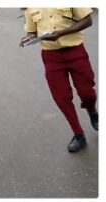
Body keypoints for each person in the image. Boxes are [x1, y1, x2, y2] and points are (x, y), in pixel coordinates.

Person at [20, 8, 98, 153]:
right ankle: (78, 134)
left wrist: (62, 33)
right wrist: (29, 37)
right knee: (61, 97)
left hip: (75, 50)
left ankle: (92, 111)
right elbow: (32, 31)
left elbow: (87, 20)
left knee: (86, 92)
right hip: (51, 57)